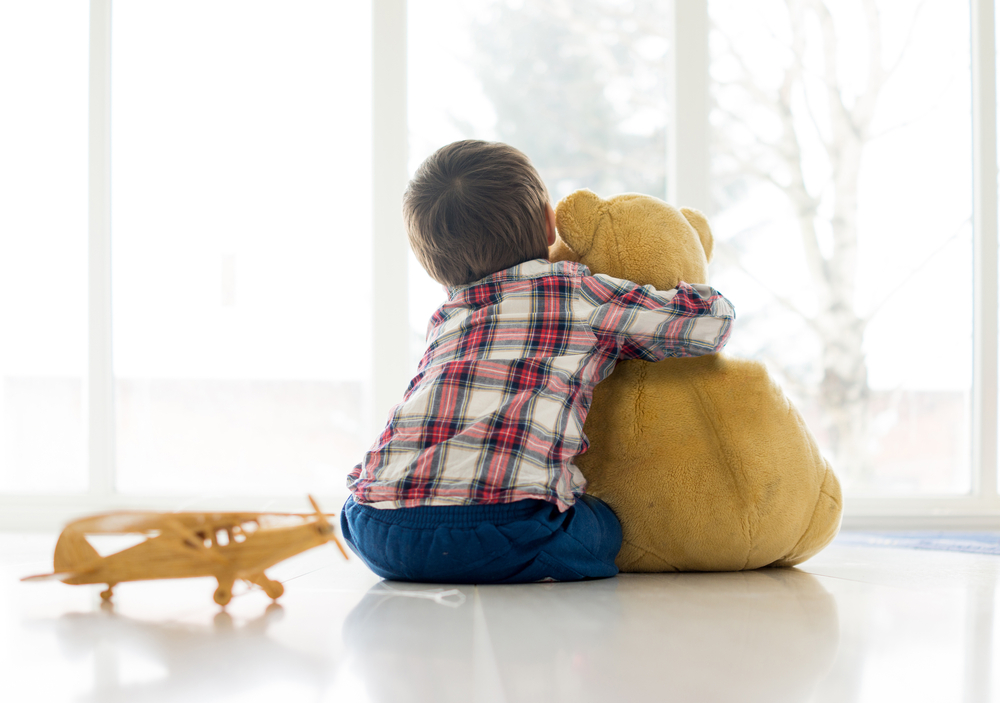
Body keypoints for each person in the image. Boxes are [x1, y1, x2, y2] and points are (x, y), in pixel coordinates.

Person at [341, 139, 735, 583]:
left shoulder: (448, 318)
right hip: (503, 527)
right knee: (605, 525)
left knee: (372, 505)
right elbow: (710, 325)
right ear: (551, 223)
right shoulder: (579, 294)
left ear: (433, 264)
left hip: (376, 526)